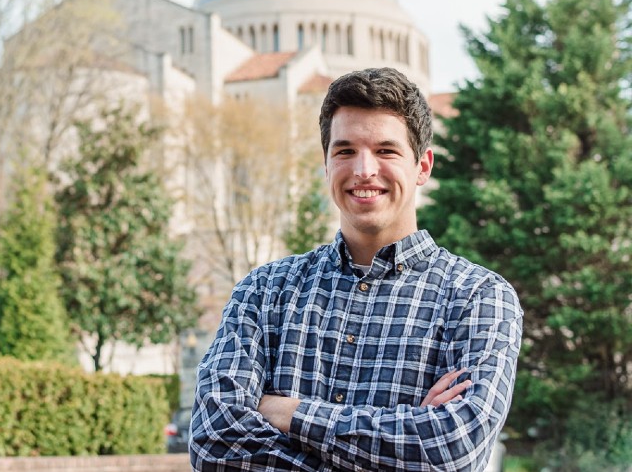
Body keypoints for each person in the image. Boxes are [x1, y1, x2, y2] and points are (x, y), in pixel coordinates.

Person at [189, 67, 523, 471]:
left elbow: (455, 446)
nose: (364, 169)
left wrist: (285, 411)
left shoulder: (479, 296)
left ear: (422, 166)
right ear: (327, 165)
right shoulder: (264, 292)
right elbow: (214, 444)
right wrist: (403, 440)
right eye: (345, 151)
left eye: (386, 150)